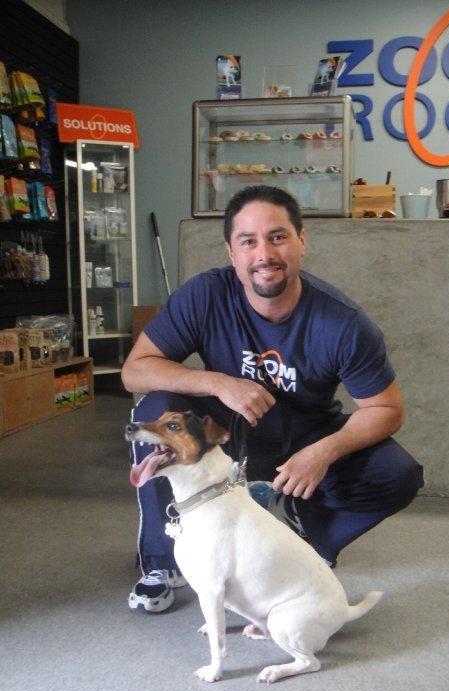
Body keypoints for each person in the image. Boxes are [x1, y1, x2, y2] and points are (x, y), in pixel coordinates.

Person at [121, 185, 423, 613]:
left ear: (302, 240)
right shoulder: (205, 295)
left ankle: (309, 543)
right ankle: (161, 562)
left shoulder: (344, 323)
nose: (264, 253)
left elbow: (387, 409)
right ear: (231, 251)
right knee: (156, 409)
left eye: (277, 237)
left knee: (397, 473)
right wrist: (218, 383)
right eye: (248, 241)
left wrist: (322, 452)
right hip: (226, 431)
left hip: (306, 434)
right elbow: (136, 369)